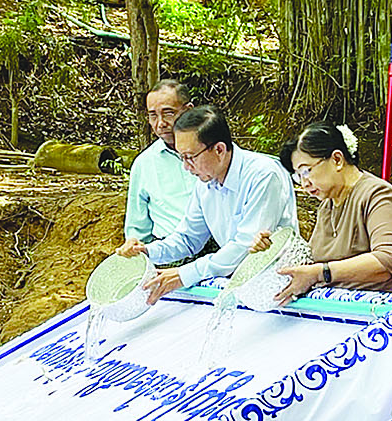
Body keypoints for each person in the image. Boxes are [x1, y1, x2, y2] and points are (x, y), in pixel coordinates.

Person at [117, 105, 298, 304]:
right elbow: (188, 238)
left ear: (219, 149)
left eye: (190, 157)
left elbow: (245, 246)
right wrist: (147, 251)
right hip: (237, 283)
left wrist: (185, 274)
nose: (186, 167)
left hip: (278, 283)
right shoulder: (205, 182)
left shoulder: (263, 175)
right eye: (182, 158)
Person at [253, 122, 392, 304]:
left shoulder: (377, 195)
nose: (304, 183)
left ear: (337, 160)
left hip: (387, 312)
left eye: (306, 171)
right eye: (298, 176)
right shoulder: (327, 206)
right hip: (342, 310)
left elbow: (389, 260)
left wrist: (322, 273)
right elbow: (310, 263)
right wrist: (273, 251)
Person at [125, 79, 197, 243]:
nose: (161, 124)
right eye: (153, 116)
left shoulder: (213, 152)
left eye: (168, 113)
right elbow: (137, 229)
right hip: (169, 249)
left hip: (219, 246)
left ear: (188, 111)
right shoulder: (144, 163)